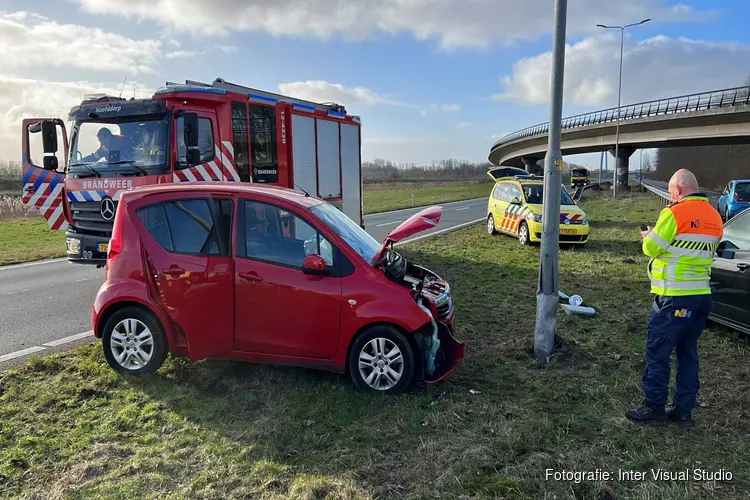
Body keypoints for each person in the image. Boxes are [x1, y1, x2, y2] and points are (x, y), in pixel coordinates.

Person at [626, 169, 723, 427]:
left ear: (678, 190)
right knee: (688, 353)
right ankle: (683, 411)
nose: (671, 197)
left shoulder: (673, 213)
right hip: (702, 295)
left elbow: (651, 248)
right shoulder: (715, 215)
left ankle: (655, 407)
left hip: (674, 297)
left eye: (671, 192)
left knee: (658, 351)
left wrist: (648, 235)